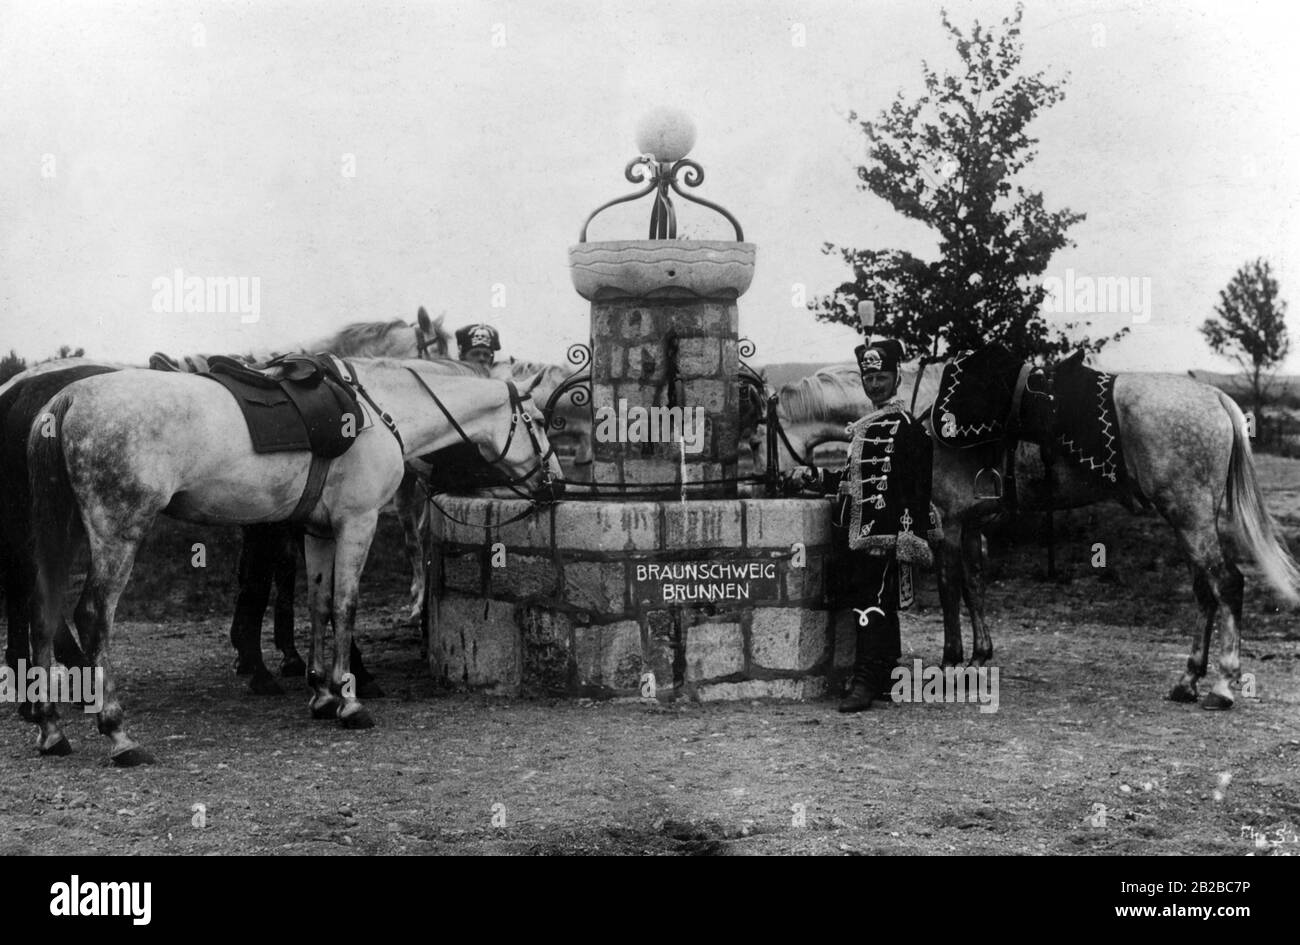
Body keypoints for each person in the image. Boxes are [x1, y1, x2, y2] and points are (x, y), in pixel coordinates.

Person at [786, 338, 941, 712]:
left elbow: (918, 489)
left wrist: (906, 536)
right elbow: (855, 481)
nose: (874, 385)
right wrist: (816, 479)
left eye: (881, 378)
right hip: (858, 532)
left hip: (886, 533)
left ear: (896, 379)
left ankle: (866, 682)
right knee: (871, 603)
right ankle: (886, 676)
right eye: (869, 379)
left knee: (874, 605)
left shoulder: (908, 429)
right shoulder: (865, 427)